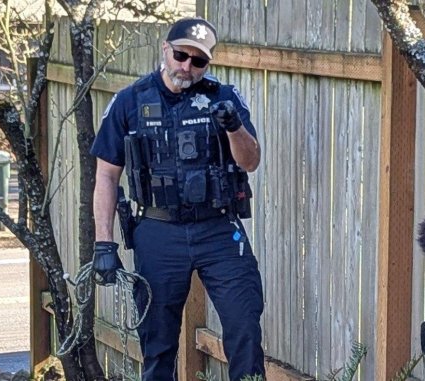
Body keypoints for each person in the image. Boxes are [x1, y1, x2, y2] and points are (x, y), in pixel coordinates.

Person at [90, 17, 265, 381]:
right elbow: (106, 175)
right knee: (157, 344)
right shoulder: (130, 101)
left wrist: (233, 126)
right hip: (158, 230)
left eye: (198, 61)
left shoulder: (223, 98)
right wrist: (103, 243)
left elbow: (250, 161)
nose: (187, 66)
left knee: (244, 327)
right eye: (182, 55)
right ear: (165, 50)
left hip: (219, 229)